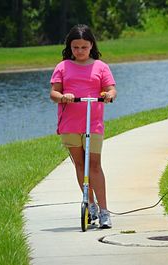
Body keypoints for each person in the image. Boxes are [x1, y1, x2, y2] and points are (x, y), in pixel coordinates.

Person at [49, 24, 117, 229]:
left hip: (93, 123)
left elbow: (111, 89)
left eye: (84, 47)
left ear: (91, 46)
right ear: (70, 47)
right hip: (70, 123)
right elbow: (54, 93)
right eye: (75, 47)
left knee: (94, 165)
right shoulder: (62, 67)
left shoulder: (101, 66)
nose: (79, 51)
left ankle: (105, 211)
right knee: (80, 165)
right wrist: (64, 97)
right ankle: (91, 205)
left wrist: (108, 95)